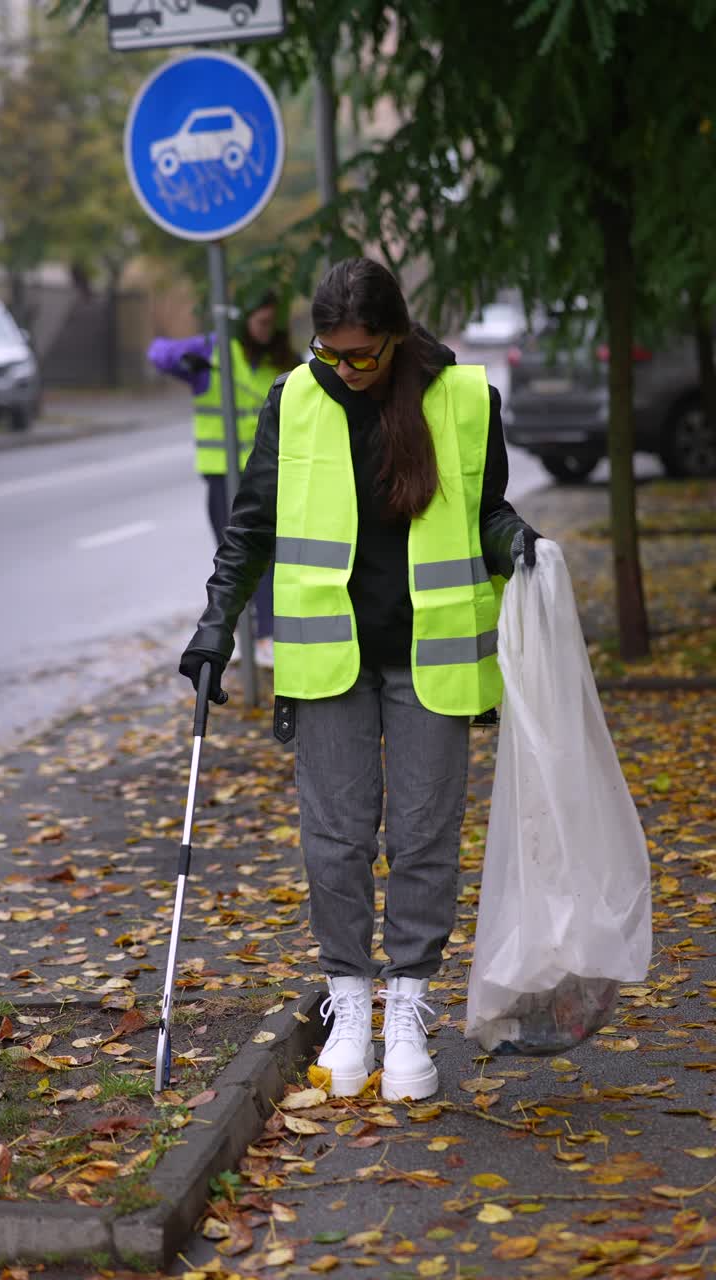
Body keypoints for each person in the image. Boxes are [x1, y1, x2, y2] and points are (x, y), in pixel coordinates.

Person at [179, 257, 540, 1101]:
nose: (345, 370)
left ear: (396, 335)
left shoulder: (463, 399)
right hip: (328, 656)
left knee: (422, 838)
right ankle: (350, 1002)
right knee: (335, 840)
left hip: (432, 655)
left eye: (362, 356)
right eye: (330, 353)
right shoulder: (295, 400)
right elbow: (251, 527)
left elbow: (486, 510)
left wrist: (518, 541)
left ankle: (408, 1005)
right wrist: (214, 626)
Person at [148, 291, 299, 668]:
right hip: (222, 475)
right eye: (260, 322)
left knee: (267, 555)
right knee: (234, 558)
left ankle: (266, 636)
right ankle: (237, 634)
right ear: (245, 320)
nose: (266, 330)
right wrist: (186, 359)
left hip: (269, 474)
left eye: (271, 323)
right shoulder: (214, 353)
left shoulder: (282, 361)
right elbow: (158, 353)